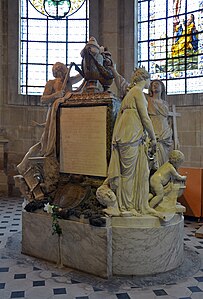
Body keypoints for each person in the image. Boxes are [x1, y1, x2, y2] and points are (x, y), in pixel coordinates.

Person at [106, 67, 158, 216]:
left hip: (131, 136)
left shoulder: (131, 93)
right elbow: (145, 118)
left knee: (140, 172)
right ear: (145, 78)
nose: (150, 82)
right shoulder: (137, 92)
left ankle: (138, 204)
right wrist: (153, 138)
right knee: (128, 174)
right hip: (130, 136)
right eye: (149, 79)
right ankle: (126, 207)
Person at [17, 62, 82, 175]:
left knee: (64, 140)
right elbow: (43, 99)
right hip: (54, 113)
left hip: (67, 114)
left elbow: (82, 76)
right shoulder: (51, 83)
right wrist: (55, 95)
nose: (59, 73)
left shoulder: (69, 81)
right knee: (45, 142)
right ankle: (24, 165)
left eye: (60, 70)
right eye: (57, 71)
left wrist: (80, 65)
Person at [146, 79, 173, 169]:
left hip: (165, 131)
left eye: (157, 84)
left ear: (162, 88)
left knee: (164, 157)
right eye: (153, 84)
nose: (155, 86)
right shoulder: (148, 100)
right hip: (153, 128)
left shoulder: (165, 103)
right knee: (153, 156)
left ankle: (163, 177)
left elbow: (167, 118)